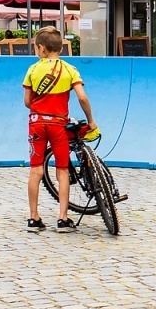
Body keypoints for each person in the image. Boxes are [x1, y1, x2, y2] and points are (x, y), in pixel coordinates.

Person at [22, 26, 98, 233]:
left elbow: (27, 101)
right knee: (62, 171)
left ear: (42, 48)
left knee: (36, 170)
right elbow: (82, 97)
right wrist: (91, 121)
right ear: (60, 48)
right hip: (58, 125)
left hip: (36, 123)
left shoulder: (33, 69)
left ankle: (33, 218)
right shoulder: (69, 69)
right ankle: (63, 219)